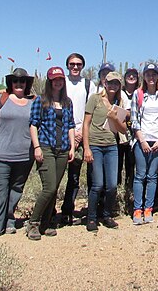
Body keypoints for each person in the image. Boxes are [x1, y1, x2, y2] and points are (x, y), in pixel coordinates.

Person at [0, 68, 36, 235]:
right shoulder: (0, 99)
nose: (19, 84)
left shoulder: (33, 102)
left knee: (16, 190)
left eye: (22, 81)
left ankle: (9, 221)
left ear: (27, 84)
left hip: (24, 155)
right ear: (10, 83)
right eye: (15, 81)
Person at [28, 66, 76, 240]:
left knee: (54, 188)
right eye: (54, 80)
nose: (58, 82)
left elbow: (70, 125)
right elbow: (33, 124)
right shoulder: (41, 101)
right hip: (46, 147)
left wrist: (72, 147)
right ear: (49, 82)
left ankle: (46, 223)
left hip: (62, 148)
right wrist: (37, 147)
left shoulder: (67, 102)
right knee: (48, 188)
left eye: (60, 80)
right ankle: (33, 223)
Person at [83, 71, 126, 232]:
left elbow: (123, 129)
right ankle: (92, 218)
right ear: (105, 84)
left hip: (111, 146)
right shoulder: (95, 99)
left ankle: (107, 215)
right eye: (110, 83)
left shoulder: (119, 103)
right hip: (95, 145)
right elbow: (86, 124)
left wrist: (115, 118)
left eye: (116, 83)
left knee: (112, 185)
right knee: (97, 184)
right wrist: (86, 148)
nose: (113, 86)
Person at [130, 64, 158, 225]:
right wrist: (142, 140)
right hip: (142, 140)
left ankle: (149, 208)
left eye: (154, 74)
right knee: (140, 175)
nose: (151, 78)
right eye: (148, 74)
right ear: (144, 77)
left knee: (153, 176)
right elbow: (134, 120)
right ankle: (137, 209)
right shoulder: (138, 94)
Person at [60, 52, 94, 225]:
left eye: (78, 64)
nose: (75, 67)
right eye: (72, 64)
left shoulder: (88, 85)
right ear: (67, 65)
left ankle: (68, 211)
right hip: (60, 135)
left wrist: (80, 134)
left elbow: (93, 109)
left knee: (74, 177)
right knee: (55, 177)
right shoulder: (60, 82)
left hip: (81, 134)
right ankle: (50, 212)